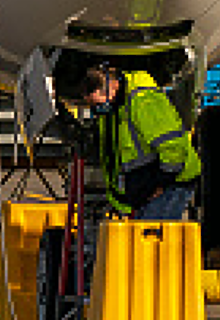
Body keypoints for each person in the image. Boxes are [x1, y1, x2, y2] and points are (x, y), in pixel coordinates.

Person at [79, 63, 202, 221]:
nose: (97, 109)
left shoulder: (144, 101)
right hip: (150, 189)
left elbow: (172, 146)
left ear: (112, 86)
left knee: (152, 239)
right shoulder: (116, 107)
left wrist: (162, 183)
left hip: (170, 183)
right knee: (142, 238)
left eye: (98, 103)